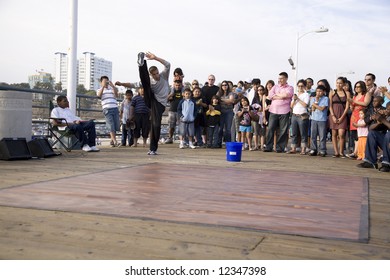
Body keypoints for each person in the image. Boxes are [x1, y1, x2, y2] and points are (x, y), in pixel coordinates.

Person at [115, 52, 170, 155]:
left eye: (157, 73)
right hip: (151, 100)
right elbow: (133, 85)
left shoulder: (164, 76)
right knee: (146, 84)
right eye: (153, 75)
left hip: (160, 105)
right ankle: (141, 64)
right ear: (151, 74)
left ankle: (153, 149)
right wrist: (122, 84)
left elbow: (167, 64)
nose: (156, 76)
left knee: (155, 125)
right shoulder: (149, 80)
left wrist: (155, 58)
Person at [263, 72, 294, 153]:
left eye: (281, 78)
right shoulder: (275, 87)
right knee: (270, 129)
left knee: (283, 130)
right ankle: (268, 146)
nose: (279, 80)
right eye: (279, 78)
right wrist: (281, 96)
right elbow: (270, 96)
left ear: (286, 78)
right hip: (273, 111)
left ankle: (280, 147)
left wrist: (276, 96)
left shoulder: (290, 87)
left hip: (285, 111)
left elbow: (287, 95)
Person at [357, 102, 390, 172]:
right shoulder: (388, 117)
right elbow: (370, 129)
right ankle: (370, 161)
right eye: (387, 109)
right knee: (372, 133)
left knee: (388, 134)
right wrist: (379, 122)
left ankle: (387, 163)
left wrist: (383, 120)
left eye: (389, 110)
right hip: (387, 144)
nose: (387, 111)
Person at [346, 81, 372, 159]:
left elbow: (366, 103)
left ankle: (359, 152)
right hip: (354, 115)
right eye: (355, 87)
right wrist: (351, 103)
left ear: (362, 87)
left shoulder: (366, 94)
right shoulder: (355, 95)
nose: (356, 88)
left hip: (362, 115)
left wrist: (353, 101)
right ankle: (355, 152)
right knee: (354, 135)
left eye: (358, 87)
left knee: (361, 134)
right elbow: (352, 106)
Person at [328, 77, 350, 158]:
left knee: (341, 134)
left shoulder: (347, 93)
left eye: (340, 83)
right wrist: (333, 116)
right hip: (333, 114)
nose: (338, 84)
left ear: (344, 84)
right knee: (334, 133)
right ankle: (336, 152)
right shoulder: (332, 92)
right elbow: (330, 105)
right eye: (337, 83)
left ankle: (341, 152)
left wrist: (342, 117)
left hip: (342, 115)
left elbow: (347, 107)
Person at [287, 79, 310, 155]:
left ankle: (303, 149)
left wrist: (298, 99)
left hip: (302, 115)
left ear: (304, 86)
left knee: (303, 133)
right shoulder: (295, 94)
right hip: (294, 115)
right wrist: (294, 100)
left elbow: (305, 105)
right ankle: (293, 148)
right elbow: (291, 106)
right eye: (299, 86)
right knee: (294, 133)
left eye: (302, 86)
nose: (300, 87)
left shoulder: (306, 94)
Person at [96, 75, 120, 147]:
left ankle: (112, 141)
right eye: (104, 81)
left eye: (107, 81)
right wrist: (103, 86)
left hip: (115, 108)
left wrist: (112, 86)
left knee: (116, 125)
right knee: (111, 125)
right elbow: (99, 96)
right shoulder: (99, 89)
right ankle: (115, 141)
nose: (106, 83)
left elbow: (116, 95)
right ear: (101, 82)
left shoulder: (111, 89)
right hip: (107, 109)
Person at [308, 85, 329, 157]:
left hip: (322, 119)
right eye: (317, 91)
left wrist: (314, 104)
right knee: (313, 135)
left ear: (323, 92)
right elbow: (313, 109)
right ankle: (313, 149)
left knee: (322, 135)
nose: (318, 93)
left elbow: (322, 108)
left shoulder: (325, 98)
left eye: (320, 91)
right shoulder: (313, 99)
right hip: (314, 119)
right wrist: (316, 101)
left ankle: (322, 150)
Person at [217, 80, 235, 147]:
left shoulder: (230, 93)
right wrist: (227, 101)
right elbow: (216, 99)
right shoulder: (219, 93)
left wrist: (221, 100)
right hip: (221, 112)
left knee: (228, 128)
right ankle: (219, 143)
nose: (224, 86)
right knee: (220, 128)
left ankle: (228, 143)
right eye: (223, 85)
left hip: (229, 112)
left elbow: (231, 100)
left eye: (226, 85)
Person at [165, 79, 183, 144]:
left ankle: (182, 140)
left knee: (181, 126)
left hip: (180, 111)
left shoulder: (183, 91)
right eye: (176, 85)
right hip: (172, 111)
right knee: (171, 126)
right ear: (174, 85)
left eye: (179, 85)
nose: (177, 86)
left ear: (181, 85)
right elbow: (165, 100)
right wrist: (170, 96)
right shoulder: (171, 91)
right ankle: (170, 138)